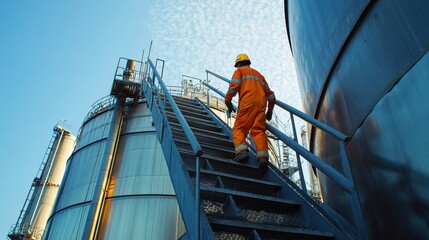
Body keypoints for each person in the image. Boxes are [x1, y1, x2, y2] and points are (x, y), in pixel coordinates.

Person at [225, 53, 276, 168]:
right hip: (261, 105)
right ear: (248, 62)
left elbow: (233, 87)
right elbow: (271, 96)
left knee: (239, 128)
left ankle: (242, 152)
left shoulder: (239, 72)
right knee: (258, 131)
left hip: (247, 102)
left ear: (238, 64)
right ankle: (263, 158)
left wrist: (228, 101)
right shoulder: (260, 76)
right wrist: (269, 112)